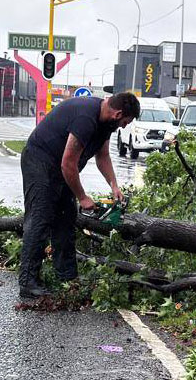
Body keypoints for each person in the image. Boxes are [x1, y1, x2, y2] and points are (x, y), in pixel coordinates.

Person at [17, 92, 140, 299]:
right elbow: (68, 163)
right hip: (40, 161)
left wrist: (114, 186)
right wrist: (82, 197)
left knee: (66, 218)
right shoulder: (86, 118)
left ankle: (66, 277)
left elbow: (103, 156)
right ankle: (28, 282)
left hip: (61, 167)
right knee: (40, 219)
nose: (124, 127)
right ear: (118, 114)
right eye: (125, 122)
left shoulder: (106, 124)